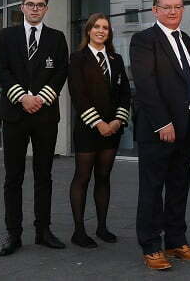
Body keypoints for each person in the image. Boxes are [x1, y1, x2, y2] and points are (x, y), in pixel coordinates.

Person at [130, 0, 190, 271]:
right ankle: (151, 246)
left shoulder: (186, 39)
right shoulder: (143, 40)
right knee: (152, 188)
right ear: (155, 10)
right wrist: (163, 122)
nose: (173, 12)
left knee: (179, 186)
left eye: (178, 7)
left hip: (185, 127)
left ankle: (176, 241)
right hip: (158, 129)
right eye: (167, 7)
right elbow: (146, 85)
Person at [0, 0, 69, 257]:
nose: (35, 8)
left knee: (44, 174)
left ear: (46, 8)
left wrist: (39, 98)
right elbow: (2, 70)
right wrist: (22, 98)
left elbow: (61, 71)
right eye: (30, 4)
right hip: (15, 115)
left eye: (40, 4)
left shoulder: (57, 38)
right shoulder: (7, 36)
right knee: (13, 177)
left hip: (45, 115)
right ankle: (13, 234)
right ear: (22, 7)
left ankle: (43, 231)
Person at [67, 13, 131, 248]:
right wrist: (99, 123)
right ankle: (79, 231)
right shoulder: (77, 59)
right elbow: (78, 95)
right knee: (82, 177)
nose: (101, 30)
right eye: (96, 27)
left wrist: (116, 121)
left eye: (105, 27)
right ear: (88, 30)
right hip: (88, 128)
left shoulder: (116, 59)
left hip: (112, 129)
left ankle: (102, 227)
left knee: (104, 177)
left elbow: (125, 93)